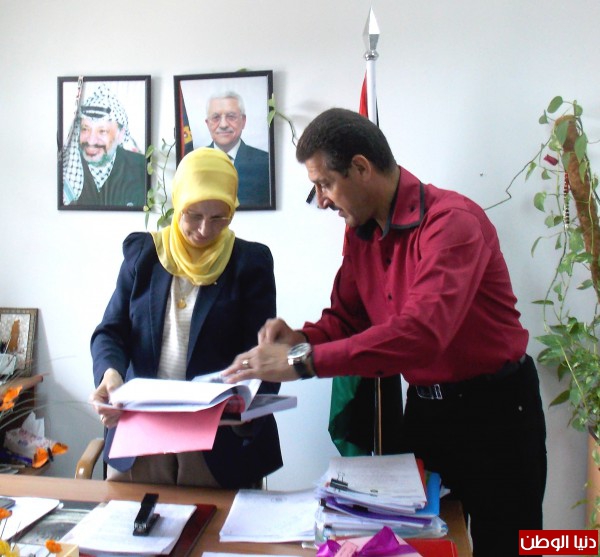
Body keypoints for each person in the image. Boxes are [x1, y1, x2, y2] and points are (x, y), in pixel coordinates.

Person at [223, 108, 547, 555]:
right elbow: (346, 319)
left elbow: (421, 334)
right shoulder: (361, 235)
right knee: (419, 544)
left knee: (508, 548)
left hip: (496, 413)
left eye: (325, 184)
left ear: (361, 168)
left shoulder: (452, 223)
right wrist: (300, 339)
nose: (322, 201)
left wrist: (304, 362)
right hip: (427, 413)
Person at [89, 147, 282, 488]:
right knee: (131, 521)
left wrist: (246, 403)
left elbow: (264, 354)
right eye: (194, 214)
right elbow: (111, 332)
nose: (205, 229)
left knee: (217, 524)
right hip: (140, 436)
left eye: (219, 217)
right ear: (178, 203)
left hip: (218, 444)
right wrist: (110, 374)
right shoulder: (144, 255)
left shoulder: (249, 264)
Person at [62, 83, 146, 208]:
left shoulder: (141, 168)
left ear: (120, 134)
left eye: (102, 131)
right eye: (85, 129)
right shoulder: (68, 171)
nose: (91, 141)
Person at [205, 91, 271, 208]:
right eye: (216, 117)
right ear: (207, 124)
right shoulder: (193, 162)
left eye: (231, 117)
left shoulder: (266, 162)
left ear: (243, 121)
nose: (223, 125)